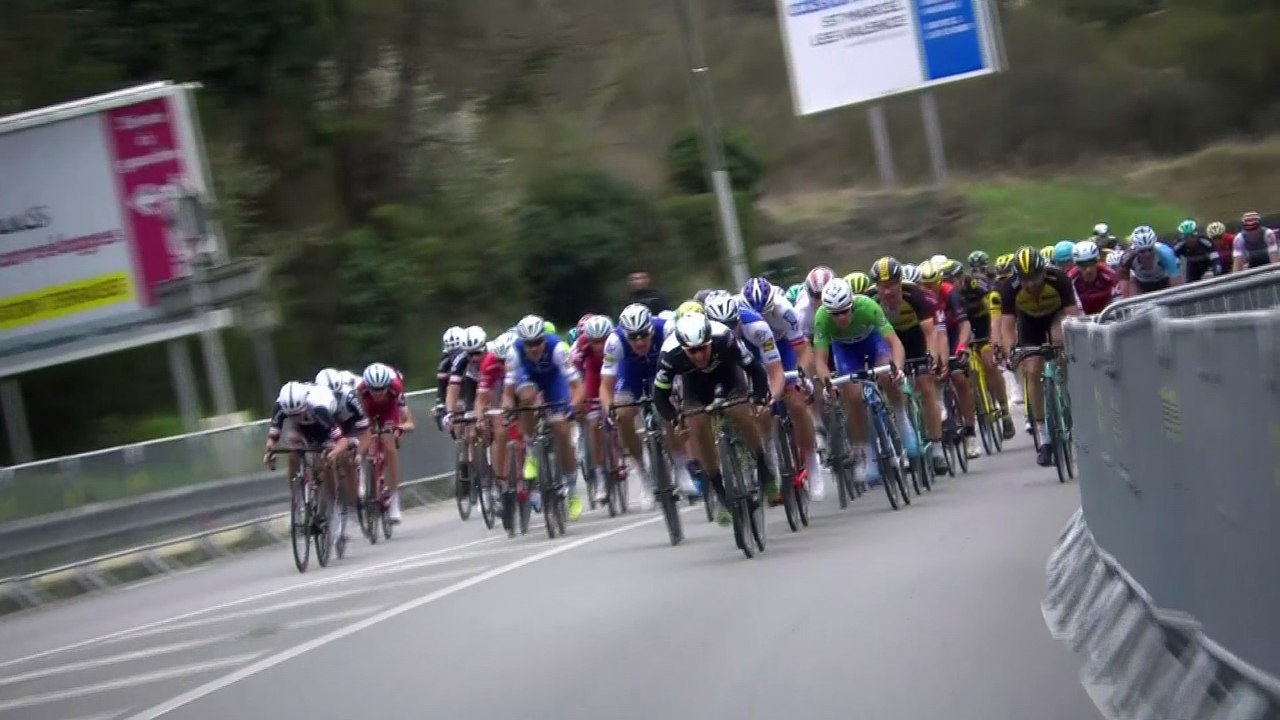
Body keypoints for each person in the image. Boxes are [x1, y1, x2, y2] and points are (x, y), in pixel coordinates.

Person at [653, 311, 773, 526]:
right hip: (695, 386)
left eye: (703, 348)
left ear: (710, 340)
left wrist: (758, 398)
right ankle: (720, 492)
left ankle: (762, 463)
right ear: (683, 348)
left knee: (739, 412)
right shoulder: (670, 355)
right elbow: (660, 395)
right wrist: (674, 418)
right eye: (692, 351)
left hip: (729, 376)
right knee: (697, 424)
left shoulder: (724, 338)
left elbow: (756, 370)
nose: (699, 355)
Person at [999, 247, 1082, 467]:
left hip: (1056, 316)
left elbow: (1073, 315)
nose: (1030, 284)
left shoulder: (1059, 278)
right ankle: (1044, 438)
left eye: (1035, 277)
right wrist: (1011, 352)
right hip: (1029, 322)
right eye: (1025, 279)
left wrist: (1070, 345)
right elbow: (1006, 325)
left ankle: (1068, 396)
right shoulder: (1010, 287)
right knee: (1032, 370)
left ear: (1043, 271)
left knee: (1059, 343)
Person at [501, 315, 586, 520]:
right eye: (529, 344)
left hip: (554, 381)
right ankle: (531, 448)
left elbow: (577, 387)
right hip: (528, 380)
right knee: (526, 398)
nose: (534, 348)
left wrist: (572, 408)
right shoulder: (514, 352)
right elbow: (508, 392)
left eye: (538, 342)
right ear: (523, 343)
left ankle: (572, 492)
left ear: (544, 339)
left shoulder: (557, 348)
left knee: (562, 432)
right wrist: (507, 408)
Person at [357, 362, 415, 524]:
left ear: (387, 385)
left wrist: (399, 429)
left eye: (382, 389)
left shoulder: (395, 389)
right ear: (367, 387)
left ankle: (395, 500)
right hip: (367, 410)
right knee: (364, 441)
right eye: (374, 390)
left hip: (390, 411)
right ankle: (362, 477)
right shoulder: (360, 391)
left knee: (389, 446)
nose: (378, 394)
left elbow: (409, 422)